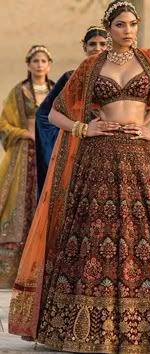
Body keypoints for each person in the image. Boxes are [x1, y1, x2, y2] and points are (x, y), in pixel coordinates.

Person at [9, 1, 150, 353]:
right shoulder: (90, 66)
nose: (127, 30)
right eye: (119, 24)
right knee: (94, 237)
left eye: (132, 24)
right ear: (108, 27)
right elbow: (54, 114)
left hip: (142, 158)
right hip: (97, 160)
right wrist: (85, 127)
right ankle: (87, 329)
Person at [0, 45, 54, 288]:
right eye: (35, 60)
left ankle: (46, 270)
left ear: (49, 64)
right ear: (29, 64)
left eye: (43, 60)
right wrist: (24, 133)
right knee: (19, 203)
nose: (39, 64)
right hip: (24, 153)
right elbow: (3, 123)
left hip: (49, 151)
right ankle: (13, 270)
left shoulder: (56, 90)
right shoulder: (19, 92)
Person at [35, 26, 107, 199]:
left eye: (103, 44)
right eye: (92, 44)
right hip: (78, 151)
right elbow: (44, 114)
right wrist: (73, 132)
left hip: (113, 147)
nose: (97, 48)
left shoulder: (123, 76)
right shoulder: (70, 78)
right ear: (85, 48)